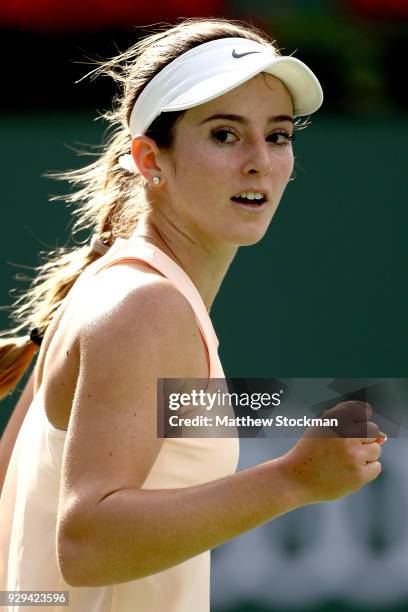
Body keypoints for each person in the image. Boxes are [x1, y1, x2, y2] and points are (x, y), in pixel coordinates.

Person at [0, 17, 386, 612]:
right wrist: (290, 480)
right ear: (150, 158)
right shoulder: (144, 307)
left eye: (278, 135)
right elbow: (86, 545)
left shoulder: (116, 291)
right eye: (225, 135)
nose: (260, 160)